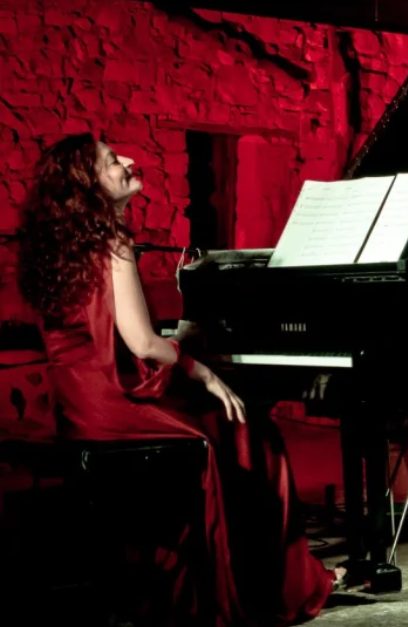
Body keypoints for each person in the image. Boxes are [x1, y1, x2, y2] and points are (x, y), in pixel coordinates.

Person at [17, 133, 342, 625]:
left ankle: (249, 574)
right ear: (89, 186)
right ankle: (268, 585)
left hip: (78, 404)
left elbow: (95, 337)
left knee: (234, 428)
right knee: (251, 433)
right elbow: (142, 343)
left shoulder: (57, 248)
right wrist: (199, 368)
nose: (129, 160)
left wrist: (177, 351)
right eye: (112, 160)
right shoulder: (112, 243)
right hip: (113, 405)